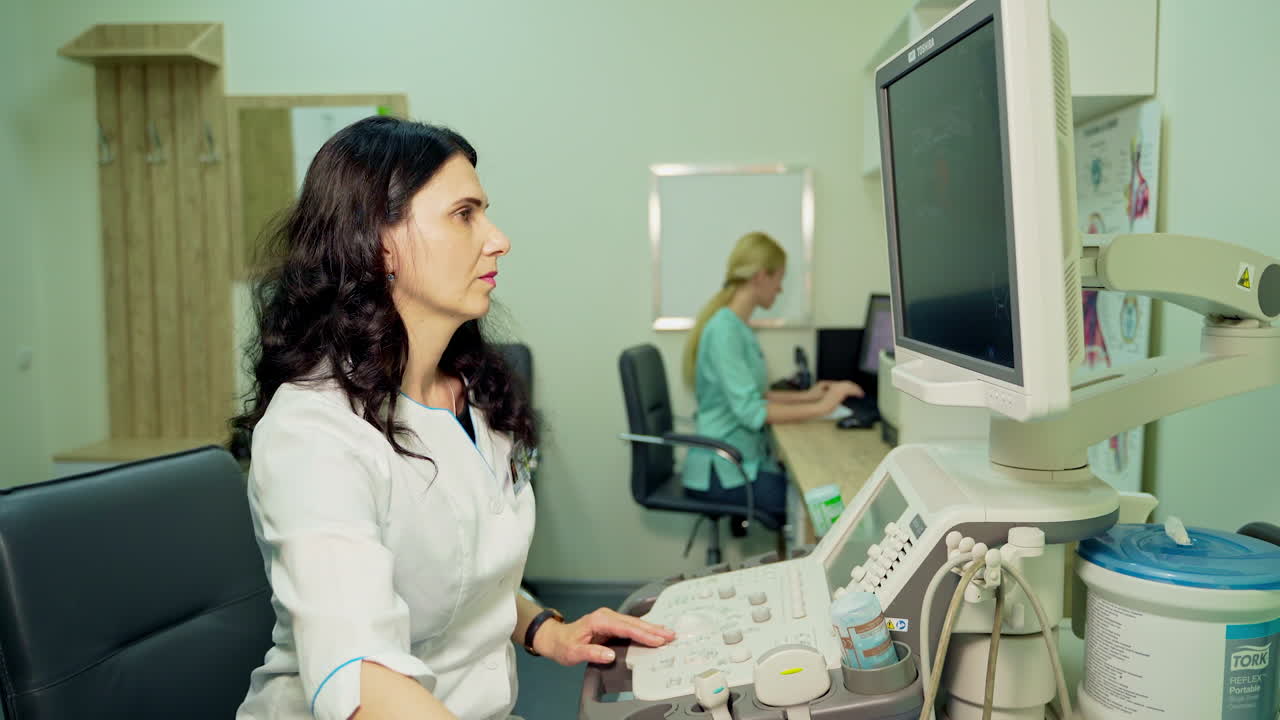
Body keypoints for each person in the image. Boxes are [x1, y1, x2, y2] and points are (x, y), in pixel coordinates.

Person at [231, 116, 673, 720]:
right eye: (464, 214)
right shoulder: (313, 433)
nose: (498, 238)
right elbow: (360, 677)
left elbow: (461, 568)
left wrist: (547, 630)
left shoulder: (470, 393)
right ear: (379, 242)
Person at [680, 232, 863, 521]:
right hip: (724, 470)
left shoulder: (736, 325)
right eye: (779, 278)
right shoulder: (725, 330)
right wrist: (824, 407)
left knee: (820, 495)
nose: (779, 289)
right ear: (761, 276)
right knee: (816, 508)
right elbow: (751, 411)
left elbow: (754, 394)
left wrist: (808, 396)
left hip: (741, 460)